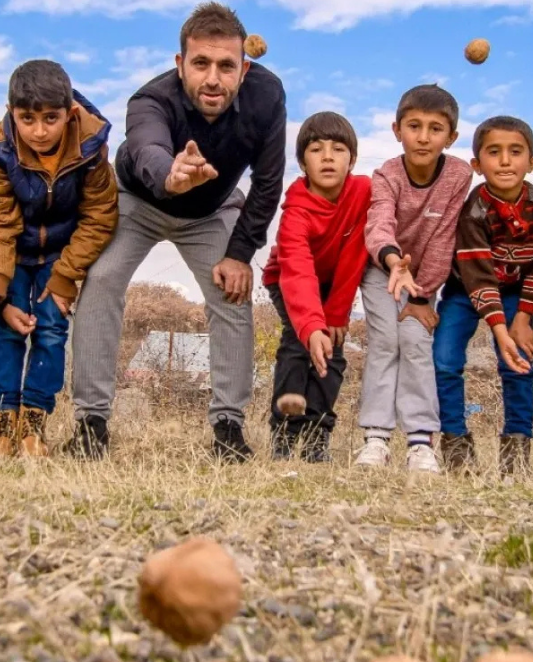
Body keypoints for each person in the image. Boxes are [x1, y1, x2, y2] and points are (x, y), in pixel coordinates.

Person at [61, 2, 287, 463]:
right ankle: (91, 422)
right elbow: (145, 145)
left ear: (244, 68)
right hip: (138, 200)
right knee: (101, 280)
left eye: (226, 66)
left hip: (212, 209)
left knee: (231, 290)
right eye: (200, 63)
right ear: (180, 63)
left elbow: (267, 183)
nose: (212, 79)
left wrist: (240, 253)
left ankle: (229, 427)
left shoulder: (267, 97)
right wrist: (170, 173)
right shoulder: (149, 100)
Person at [0, 59, 119, 458]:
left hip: (62, 252)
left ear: (69, 114)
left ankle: (35, 420)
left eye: (50, 118)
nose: (38, 130)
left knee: (51, 330)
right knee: (7, 329)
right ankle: (2, 419)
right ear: (10, 112)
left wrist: (67, 275)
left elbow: (100, 215)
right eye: (27, 119)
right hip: (13, 250)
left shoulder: (91, 146)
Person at [356, 84, 473, 472]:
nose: (423, 137)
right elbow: (378, 224)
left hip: (425, 280)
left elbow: (444, 237)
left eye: (435, 128)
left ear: (451, 136)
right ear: (397, 129)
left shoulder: (458, 174)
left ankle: (420, 440)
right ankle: (376, 437)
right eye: (414, 126)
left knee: (416, 342)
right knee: (386, 342)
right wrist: (393, 262)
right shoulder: (387, 174)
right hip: (382, 270)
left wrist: (423, 295)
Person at [434, 115, 533, 481]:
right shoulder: (474, 211)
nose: (505, 161)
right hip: (465, 290)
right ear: (477, 165)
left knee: (518, 364)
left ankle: (516, 454)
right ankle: (457, 449)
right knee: (445, 360)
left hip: (518, 293)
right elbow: (479, 276)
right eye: (494, 152)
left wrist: (521, 319)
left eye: (515, 152)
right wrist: (498, 329)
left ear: (531, 162)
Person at [262, 111, 371, 463]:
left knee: (333, 353)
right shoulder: (295, 212)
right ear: (302, 163)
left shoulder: (362, 192)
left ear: (351, 159)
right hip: (289, 281)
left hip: (335, 284)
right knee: (298, 341)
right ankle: (284, 430)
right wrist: (312, 326)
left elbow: (356, 255)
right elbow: (297, 271)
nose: (327, 156)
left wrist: (336, 314)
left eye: (338, 149)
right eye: (316, 149)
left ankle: (315, 435)